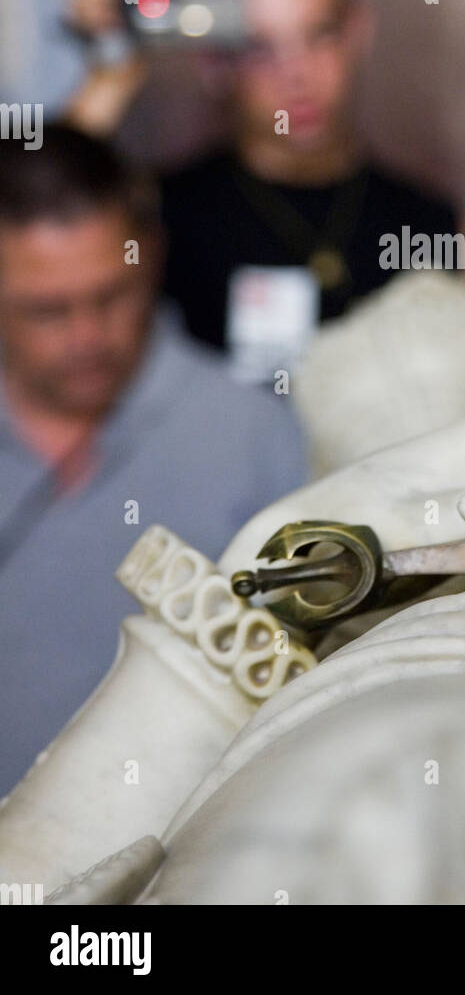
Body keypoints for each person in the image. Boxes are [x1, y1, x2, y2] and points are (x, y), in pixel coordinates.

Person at [0, 127, 307, 795]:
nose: (87, 336)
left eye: (112, 295)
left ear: (152, 257)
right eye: (47, 311)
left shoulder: (254, 436)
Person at [64, 0, 463, 379]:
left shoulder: (444, 230)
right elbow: (30, 247)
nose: (298, 75)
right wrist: (108, 78)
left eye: (319, 35)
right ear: (213, 62)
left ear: (358, 31)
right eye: (261, 48)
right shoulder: (159, 219)